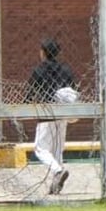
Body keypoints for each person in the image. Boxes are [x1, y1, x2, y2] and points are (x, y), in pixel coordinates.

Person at [25, 38, 78, 195]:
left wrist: (26, 104)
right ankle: (56, 185)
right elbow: (74, 88)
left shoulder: (39, 70)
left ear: (43, 52)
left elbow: (30, 93)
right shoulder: (66, 70)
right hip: (62, 114)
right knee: (57, 150)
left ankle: (57, 171)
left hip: (46, 114)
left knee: (40, 148)